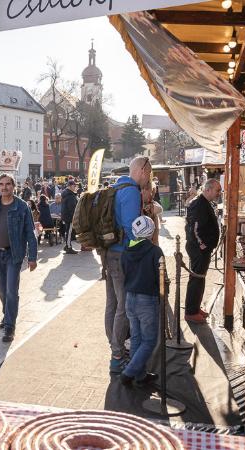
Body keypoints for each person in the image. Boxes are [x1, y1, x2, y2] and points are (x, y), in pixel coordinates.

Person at [105, 156, 150, 374]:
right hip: (123, 254)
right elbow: (133, 229)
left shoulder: (116, 187)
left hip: (109, 252)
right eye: (148, 174)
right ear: (142, 170)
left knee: (112, 304)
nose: (148, 179)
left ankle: (114, 346)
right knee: (124, 306)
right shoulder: (131, 191)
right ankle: (117, 355)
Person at [0, 173, 38, 343]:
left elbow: (30, 231)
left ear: (14, 186)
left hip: (14, 254)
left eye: (8, 184)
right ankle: (7, 315)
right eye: (1, 184)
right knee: (1, 289)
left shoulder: (21, 206)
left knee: (11, 291)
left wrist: (33, 257)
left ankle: (10, 327)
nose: (4, 187)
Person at [119, 215, 163, 387]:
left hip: (130, 297)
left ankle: (140, 375)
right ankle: (129, 372)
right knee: (149, 340)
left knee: (136, 338)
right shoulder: (155, 252)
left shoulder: (126, 251)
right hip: (147, 299)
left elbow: (125, 273)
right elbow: (160, 278)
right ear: (151, 232)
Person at [184, 179, 222, 324]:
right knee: (196, 278)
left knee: (200, 278)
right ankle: (190, 312)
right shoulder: (199, 204)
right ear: (208, 189)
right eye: (217, 190)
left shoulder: (205, 203)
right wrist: (203, 245)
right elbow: (195, 229)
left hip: (202, 249)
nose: (219, 193)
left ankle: (195, 307)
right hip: (198, 249)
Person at [141, 180, 163, 245]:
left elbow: (160, 209)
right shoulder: (137, 202)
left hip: (152, 239)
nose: (151, 194)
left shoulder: (151, 203)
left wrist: (151, 207)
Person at [61, 180, 79, 255]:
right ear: (70, 186)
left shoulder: (66, 193)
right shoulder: (70, 195)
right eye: (74, 186)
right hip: (69, 216)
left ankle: (67, 245)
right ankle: (68, 247)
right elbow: (72, 208)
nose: (75, 187)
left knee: (68, 231)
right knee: (69, 232)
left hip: (66, 215)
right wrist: (74, 217)